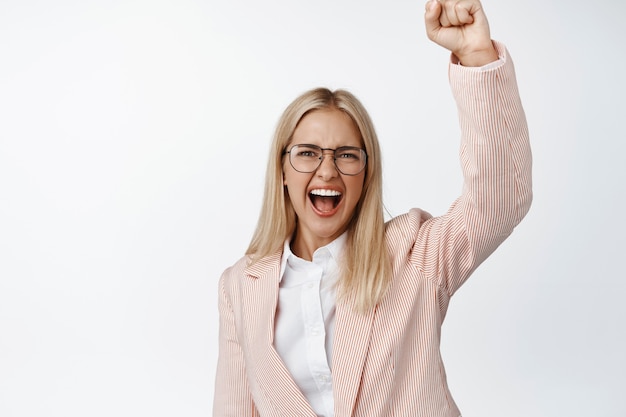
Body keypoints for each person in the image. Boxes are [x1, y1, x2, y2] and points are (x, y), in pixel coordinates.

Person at [213, 0, 532, 415]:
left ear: (366, 173)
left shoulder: (414, 252)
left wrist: (476, 58)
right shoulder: (240, 286)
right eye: (308, 153)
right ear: (283, 171)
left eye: (346, 155)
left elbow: (500, 199)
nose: (327, 172)